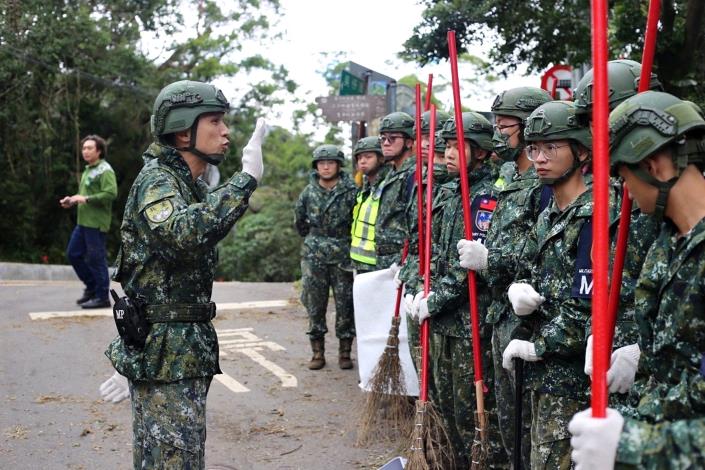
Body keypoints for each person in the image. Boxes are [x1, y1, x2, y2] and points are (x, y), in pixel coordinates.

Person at [104, 80, 265, 469]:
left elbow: (207, 217)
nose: (226, 132)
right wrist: (247, 179)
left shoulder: (183, 184)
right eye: (215, 121)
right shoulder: (158, 180)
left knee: (176, 458)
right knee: (173, 462)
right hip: (167, 353)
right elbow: (185, 234)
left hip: (179, 349)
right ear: (182, 129)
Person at [569, 91, 705, 469]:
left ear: (653, 166)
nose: (624, 191)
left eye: (624, 176)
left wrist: (629, 443)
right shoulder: (669, 243)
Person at [501, 100, 603, 469]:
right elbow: (525, 266)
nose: (539, 158)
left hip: (572, 380)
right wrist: (519, 287)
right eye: (534, 148)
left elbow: (590, 308)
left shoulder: (595, 215)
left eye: (551, 148)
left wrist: (537, 346)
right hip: (543, 376)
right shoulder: (549, 214)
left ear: (581, 151)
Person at [457, 86, 552, 466]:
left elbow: (537, 256)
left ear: (529, 127)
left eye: (505, 125)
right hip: (499, 314)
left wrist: (490, 260)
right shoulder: (509, 175)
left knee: (529, 429)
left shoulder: (544, 185)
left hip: (527, 321)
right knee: (508, 426)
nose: (497, 133)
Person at [410, 112, 505, 467]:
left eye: (456, 146)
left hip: (469, 326)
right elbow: (434, 254)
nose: (447, 153)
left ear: (480, 151)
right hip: (442, 323)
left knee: (473, 417)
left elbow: (471, 271)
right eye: (445, 145)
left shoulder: (486, 197)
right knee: (445, 411)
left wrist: (437, 298)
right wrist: (422, 289)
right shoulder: (446, 193)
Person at [295, 144, 358, 370]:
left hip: (343, 252)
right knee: (314, 303)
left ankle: (345, 352)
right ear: (316, 167)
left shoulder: (351, 190)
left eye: (330, 162)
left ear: (338, 165)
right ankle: (317, 352)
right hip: (314, 255)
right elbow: (299, 222)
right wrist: (315, 240)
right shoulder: (308, 192)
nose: (326, 167)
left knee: (345, 304)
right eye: (321, 163)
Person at [60, 134, 117, 309]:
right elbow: (83, 196)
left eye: (89, 148)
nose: (85, 151)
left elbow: (111, 193)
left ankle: (102, 297)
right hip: (83, 222)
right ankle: (92, 288)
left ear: (99, 151)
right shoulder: (88, 170)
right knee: (73, 254)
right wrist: (72, 200)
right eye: (84, 148)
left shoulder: (105, 170)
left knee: (96, 259)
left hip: (96, 223)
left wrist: (86, 198)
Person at [374, 111, 416, 269]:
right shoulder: (391, 173)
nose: (386, 143)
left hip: (402, 261)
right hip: (384, 260)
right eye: (383, 138)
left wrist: (405, 263)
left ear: (409, 142)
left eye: (392, 138)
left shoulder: (414, 175)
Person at [350, 136, 389, 274]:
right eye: (359, 158)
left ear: (381, 158)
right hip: (359, 262)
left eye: (368, 156)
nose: (363, 161)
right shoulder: (365, 187)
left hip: (379, 265)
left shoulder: (388, 186)